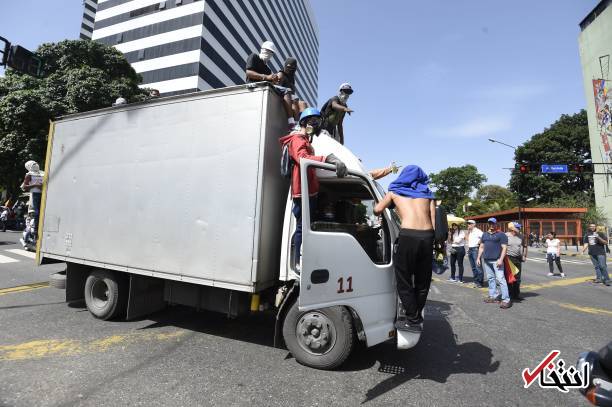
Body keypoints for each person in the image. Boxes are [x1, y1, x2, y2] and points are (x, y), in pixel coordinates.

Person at [278, 108, 347, 268]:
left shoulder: (306, 140)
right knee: (303, 227)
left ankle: (301, 258)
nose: (317, 125)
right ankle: (296, 263)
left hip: (308, 190)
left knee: (306, 226)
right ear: (305, 122)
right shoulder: (297, 139)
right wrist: (327, 158)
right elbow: (302, 158)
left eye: (318, 122)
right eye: (314, 121)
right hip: (302, 191)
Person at [373, 165, 436, 333]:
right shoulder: (428, 195)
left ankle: (412, 319)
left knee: (404, 279)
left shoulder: (394, 191)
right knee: (423, 280)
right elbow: (433, 222)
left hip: (408, 236)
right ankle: (417, 316)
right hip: (428, 236)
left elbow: (377, 209)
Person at [245, 41, 295, 128]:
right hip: (253, 85)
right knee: (286, 90)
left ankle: (291, 121)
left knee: (287, 92)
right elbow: (249, 73)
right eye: (266, 51)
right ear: (262, 49)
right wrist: (266, 77)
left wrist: (273, 80)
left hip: (264, 86)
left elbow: (269, 80)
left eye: (270, 52)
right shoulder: (254, 57)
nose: (268, 53)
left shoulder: (267, 69)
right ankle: (291, 122)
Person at [477, 217, 511, 309]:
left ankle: (506, 300)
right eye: (490, 223)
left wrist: (500, 259)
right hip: (487, 260)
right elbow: (481, 247)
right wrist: (478, 258)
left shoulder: (501, 235)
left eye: (493, 223)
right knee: (491, 278)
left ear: (496, 224)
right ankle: (493, 296)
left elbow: (504, 248)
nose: (491, 225)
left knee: (500, 279)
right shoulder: (484, 234)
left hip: (497, 261)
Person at [506, 222, 527, 300]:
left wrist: (524, 256)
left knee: (517, 277)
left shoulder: (521, 236)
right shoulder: (506, 235)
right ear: (512, 228)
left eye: (519, 227)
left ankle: (516, 294)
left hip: (518, 258)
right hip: (508, 258)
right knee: (510, 277)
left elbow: (525, 246)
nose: (519, 229)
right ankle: (509, 294)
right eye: (517, 227)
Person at [21, 160, 44, 232]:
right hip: (36, 194)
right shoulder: (29, 174)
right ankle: (36, 229)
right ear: (29, 166)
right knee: (37, 212)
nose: (36, 165)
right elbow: (24, 187)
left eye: (36, 163)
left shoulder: (43, 173)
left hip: (45, 193)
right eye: (33, 164)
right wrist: (35, 185)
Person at [466, 220, 484, 287]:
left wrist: (479, 242)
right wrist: (468, 232)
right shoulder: (470, 231)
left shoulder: (477, 231)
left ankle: (480, 282)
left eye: (470, 224)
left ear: (474, 224)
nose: (468, 225)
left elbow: (484, 236)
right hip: (470, 249)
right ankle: (476, 281)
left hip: (475, 249)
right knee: (473, 267)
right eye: (468, 224)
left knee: (478, 266)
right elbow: (467, 239)